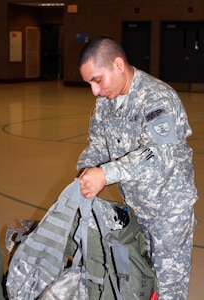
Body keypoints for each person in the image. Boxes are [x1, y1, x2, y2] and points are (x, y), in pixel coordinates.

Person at [76, 36, 198, 300]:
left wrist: (106, 174)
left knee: (168, 290)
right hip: (136, 208)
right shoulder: (105, 103)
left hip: (169, 212)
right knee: (142, 281)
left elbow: (156, 153)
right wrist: (86, 171)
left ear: (118, 65)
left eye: (97, 80)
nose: (94, 91)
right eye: (89, 84)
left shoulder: (156, 97)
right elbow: (97, 145)